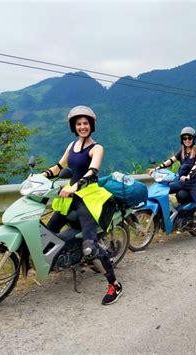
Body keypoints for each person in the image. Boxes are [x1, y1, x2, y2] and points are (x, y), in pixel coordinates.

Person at [42, 105, 123, 305]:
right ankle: (63, 260)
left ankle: (114, 284)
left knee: (90, 247)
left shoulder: (97, 148)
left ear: (91, 125)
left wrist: (75, 186)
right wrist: (41, 176)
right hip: (69, 197)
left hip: (87, 198)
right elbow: (59, 166)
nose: (82, 126)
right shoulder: (72, 146)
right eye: (78, 124)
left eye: (85, 123)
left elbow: (92, 172)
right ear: (74, 126)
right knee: (48, 231)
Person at [149, 127, 196, 250]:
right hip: (181, 183)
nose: (187, 140)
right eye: (184, 138)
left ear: (193, 139)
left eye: (189, 138)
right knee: (163, 190)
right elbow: (170, 161)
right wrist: (156, 168)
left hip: (194, 185)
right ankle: (170, 219)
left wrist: (188, 176)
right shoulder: (181, 152)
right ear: (182, 140)